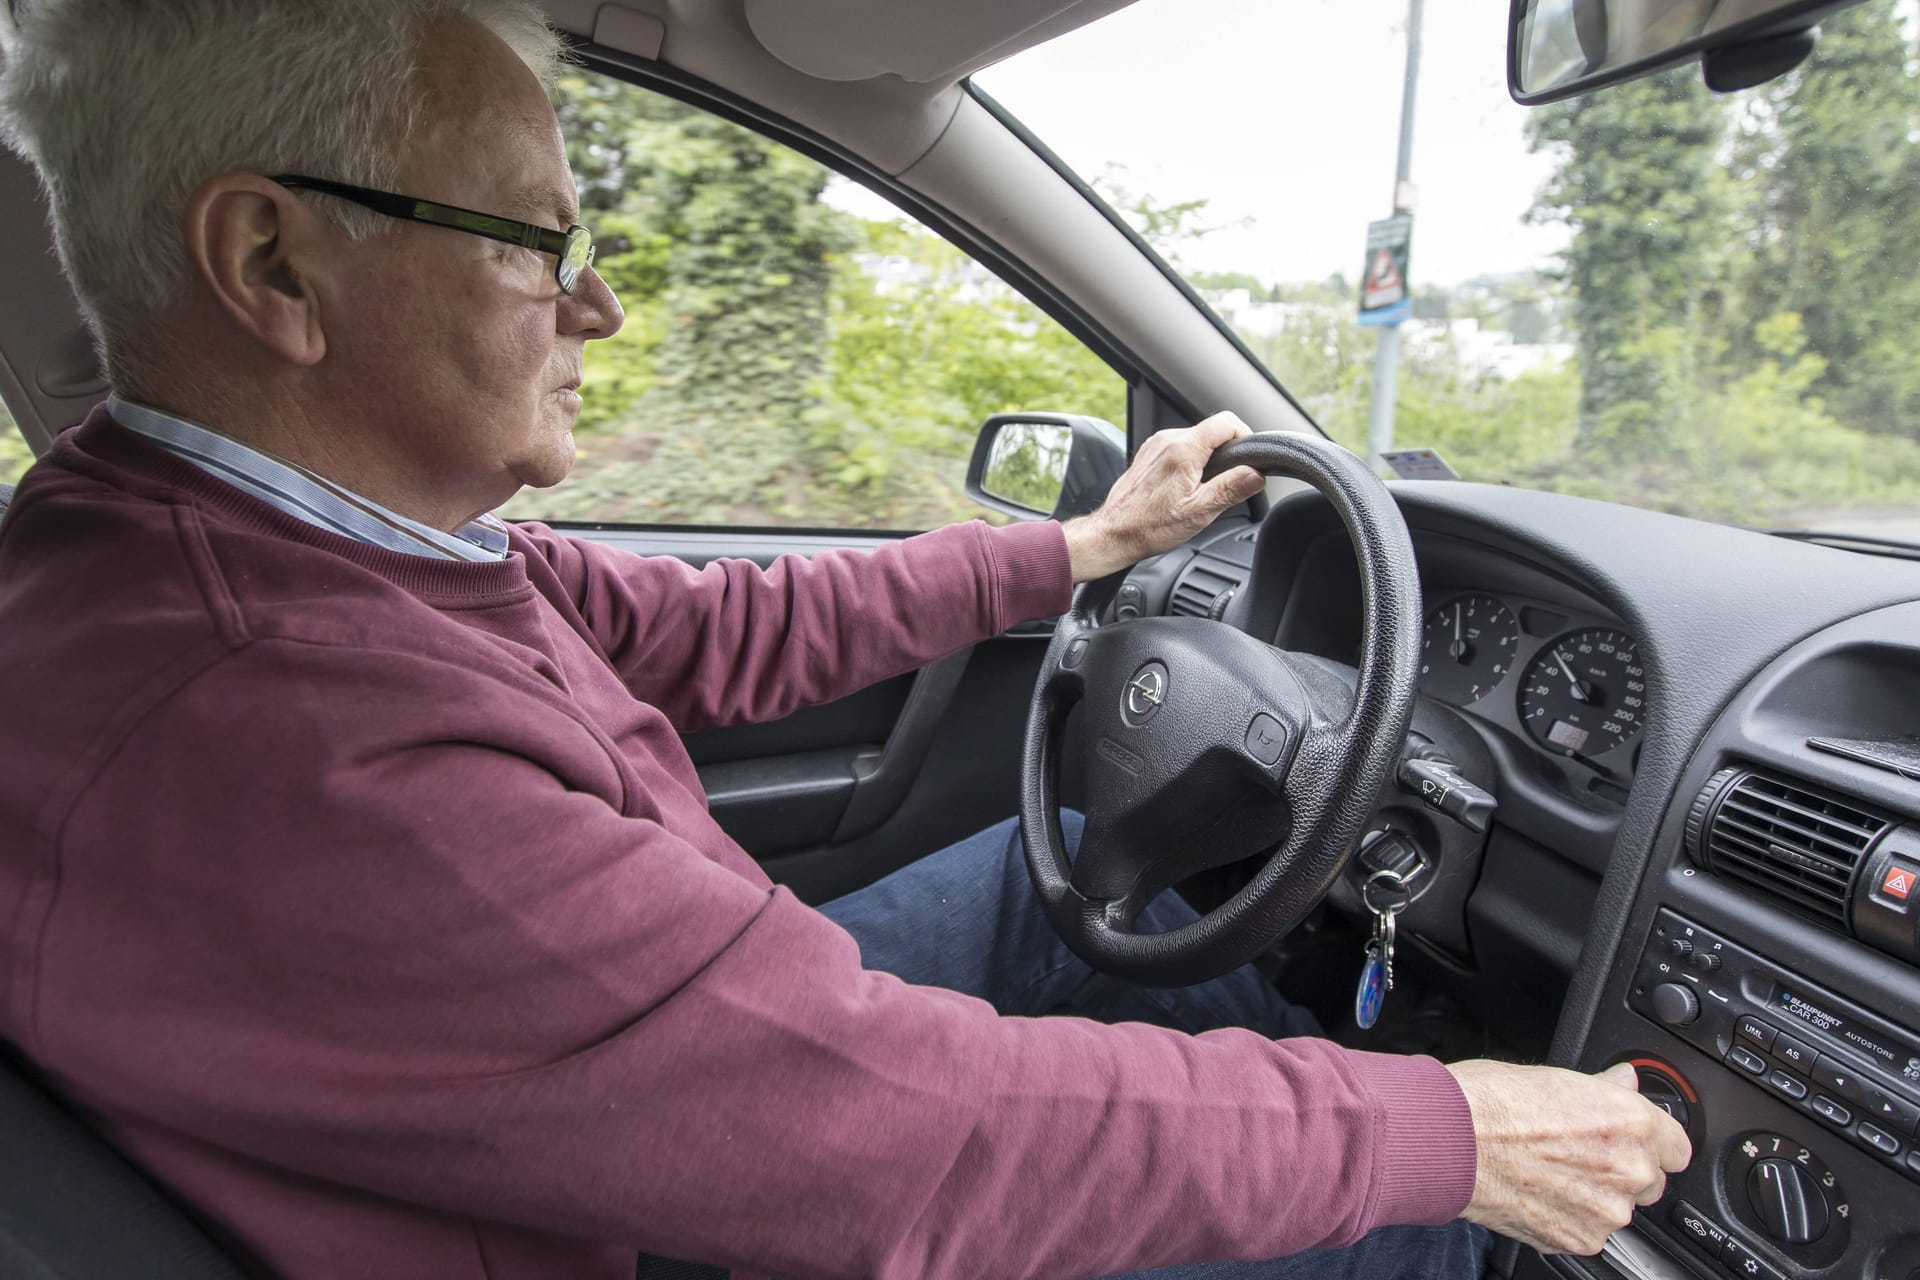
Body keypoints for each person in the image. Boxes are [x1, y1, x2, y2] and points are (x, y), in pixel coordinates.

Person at [0, 3, 1689, 1278]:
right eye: (539, 243)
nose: (593, 307)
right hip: (658, 1221)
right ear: (273, 261)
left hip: (652, 1088)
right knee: (1423, 1223)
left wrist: (1080, 550)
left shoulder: (275, 542)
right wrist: (1454, 1135)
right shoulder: (286, 727)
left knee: (1088, 871)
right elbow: (907, 1144)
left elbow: (709, 630)